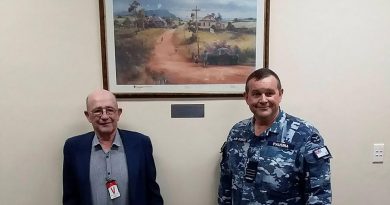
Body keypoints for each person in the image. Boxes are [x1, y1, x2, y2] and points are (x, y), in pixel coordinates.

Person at [218, 68, 332, 205]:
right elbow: (226, 185)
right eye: (256, 94)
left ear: (280, 94)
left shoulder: (305, 134)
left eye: (269, 93)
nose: (263, 100)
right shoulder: (237, 132)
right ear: (246, 97)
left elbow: (319, 195)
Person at [63, 89, 163, 205]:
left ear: (118, 113)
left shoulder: (141, 144)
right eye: (97, 111)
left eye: (110, 110)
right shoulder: (73, 147)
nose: (104, 116)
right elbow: (70, 197)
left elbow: (152, 194)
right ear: (88, 116)